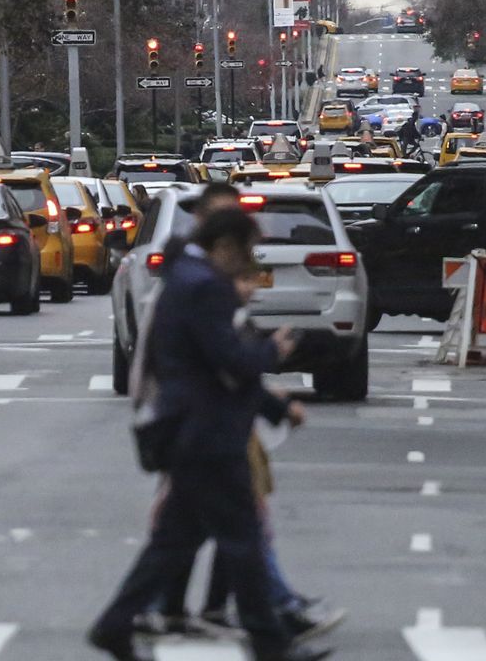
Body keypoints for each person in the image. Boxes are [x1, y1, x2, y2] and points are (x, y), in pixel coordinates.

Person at [90, 210, 326, 661]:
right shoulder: (205, 286)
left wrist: (274, 406)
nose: (249, 264)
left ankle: (115, 624)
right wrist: (271, 350)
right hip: (209, 432)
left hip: (191, 430)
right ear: (224, 246)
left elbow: (212, 366)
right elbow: (230, 362)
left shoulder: (186, 278)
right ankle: (271, 646)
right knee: (244, 541)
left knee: (173, 543)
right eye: (246, 253)